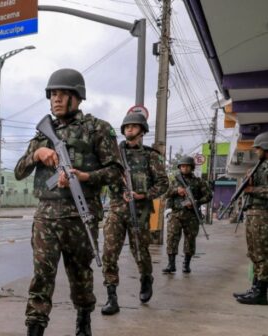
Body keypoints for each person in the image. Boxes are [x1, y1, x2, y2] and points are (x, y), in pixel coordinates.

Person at [14, 68, 123, 336]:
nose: (56, 99)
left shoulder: (97, 129)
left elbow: (116, 171)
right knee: (41, 276)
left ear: (77, 97)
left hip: (80, 217)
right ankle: (35, 328)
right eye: (53, 94)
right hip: (46, 218)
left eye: (63, 93)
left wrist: (85, 176)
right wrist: (37, 154)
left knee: (81, 275)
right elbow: (18, 171)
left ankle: (83, 322)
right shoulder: (42, 135)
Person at [101, 113, 169, 315]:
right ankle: (111, 296)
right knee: (109, 253)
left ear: (142, 131)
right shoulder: (114, 155)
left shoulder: (151, 156)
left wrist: (144, 195)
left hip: (139, 212)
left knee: (139, 251)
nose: (129, 129)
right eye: (126, 126)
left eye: (133, 126)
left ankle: (146, 277)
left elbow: (163, 184)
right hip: (116, 209)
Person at [233, 131, 268, 305]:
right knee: (254, 252)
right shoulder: (260, 165)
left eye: (258, 148)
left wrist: (252, 190)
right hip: (255, 214)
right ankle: (256, 287)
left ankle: (261, 291)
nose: (256, 151)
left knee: (262, 253)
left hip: (264, 215)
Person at [162, 156, 212, 274]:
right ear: (179, 167)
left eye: (187, 166)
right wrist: (176, 190)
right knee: (172, 238)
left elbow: (208, 196)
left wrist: (196, 202)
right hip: (176, 214)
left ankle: (186, 264)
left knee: (190, 240)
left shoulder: (199, 181)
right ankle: (171, 264)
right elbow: (165, 194)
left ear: (192, 167)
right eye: (182, 166)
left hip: (191, 215)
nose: (184, 168)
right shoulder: (175, 181)